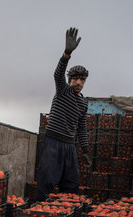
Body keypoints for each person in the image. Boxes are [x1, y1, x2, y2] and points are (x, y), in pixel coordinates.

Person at [35, 27, 92, 202]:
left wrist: (86, 149)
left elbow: (81, 128)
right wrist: (67, 53)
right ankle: (41, 213)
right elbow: (57, 73)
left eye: (82, 79)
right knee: (47, 183)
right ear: (70, 80)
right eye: (75, 78)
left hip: (69, 146)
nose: (79, 82)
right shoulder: (63, 91)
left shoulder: (83, 102)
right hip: (53, 143)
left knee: (71, 184)